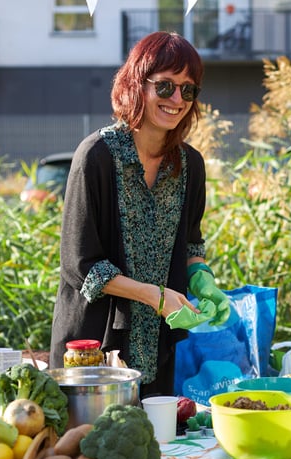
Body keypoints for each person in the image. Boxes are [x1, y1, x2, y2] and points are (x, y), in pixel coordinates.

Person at [49, 32, 230, 398]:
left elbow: (192, 242)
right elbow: (80, 264)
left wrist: (202, 278)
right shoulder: (97, 155)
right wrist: (153, 295)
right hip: (92, 349)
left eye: (188, 90)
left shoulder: (190, 165)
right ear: (137, 85)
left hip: (158, 346)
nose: (177, 99)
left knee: (156, 446)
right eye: (165, 87)